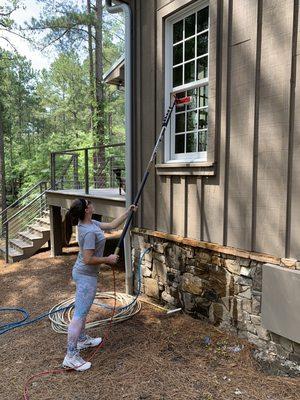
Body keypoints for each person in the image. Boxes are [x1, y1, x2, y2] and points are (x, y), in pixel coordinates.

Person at [62, 198, 137, 371]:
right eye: (89, 203)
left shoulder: (89, 222)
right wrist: (108, 259)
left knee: (83, 310)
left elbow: (111, 225)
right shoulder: (88, 232)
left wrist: (128, 212)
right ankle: (71, 356)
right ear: (87, 210)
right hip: (85, 276)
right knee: (80, 314)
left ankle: (81, 340)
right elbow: (88, 259)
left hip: (85, 274)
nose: (92, 204)